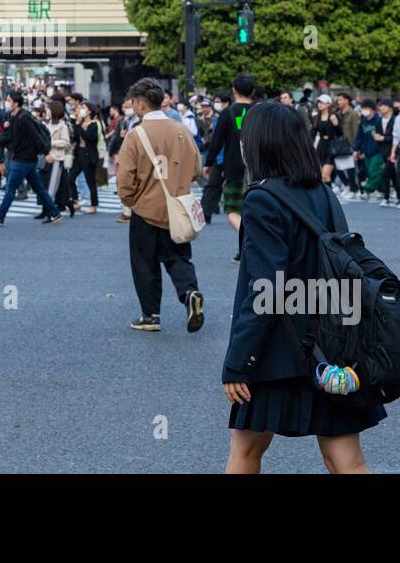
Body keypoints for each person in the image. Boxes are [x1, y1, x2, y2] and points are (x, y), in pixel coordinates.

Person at [222, 100, 383, 474]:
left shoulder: (263, 198)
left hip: (280, 348)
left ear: (262, 144)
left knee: (246, 451)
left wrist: (238, 361)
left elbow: (266, 289)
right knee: (345, 459)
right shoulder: (322, 193)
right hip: (332, 341)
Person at [115, 78, 204, 334]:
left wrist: (130, 200)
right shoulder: (181, 130)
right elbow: (196, 169)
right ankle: (189, 293)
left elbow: (124, 178)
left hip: (146, 208)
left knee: (144, 262)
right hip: (177, 206)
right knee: (178, 257)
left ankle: (150, 314)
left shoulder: (136, 135)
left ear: (141, 104)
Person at [0, 90, 61, 227]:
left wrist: (45, 152)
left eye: (9, 100)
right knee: (39, 188)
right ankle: (55, 213)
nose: (6, 103)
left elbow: (36, 136)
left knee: (11, 188)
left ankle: (0, 217)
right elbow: (7, 137)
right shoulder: (11, 116)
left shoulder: (24, 117)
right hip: (25, 159)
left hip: (23, 159)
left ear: (16, 103)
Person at [203, 75, 255, 246]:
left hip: (234, 167)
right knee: (255, 209)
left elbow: (216, 141)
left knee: (233, 210)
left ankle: (249, 241)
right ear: (252, 91)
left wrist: (208, 163)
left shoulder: (228, 112)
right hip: (259, 168)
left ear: (234, 90)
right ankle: (251, 243)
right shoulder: (260, 110)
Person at [68, 102, 103, 214]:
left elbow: (88, 137)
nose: (81, 109)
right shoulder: (80, 123)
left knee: (90, 181)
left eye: (83, 108)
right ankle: (75, 201)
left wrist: (78, 126)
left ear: (89, 111)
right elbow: (76, 139)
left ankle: (94, 205)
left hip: (89, 155)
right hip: (79, 154)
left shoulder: (94, 124)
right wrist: (74, 127)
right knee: (70, 178)